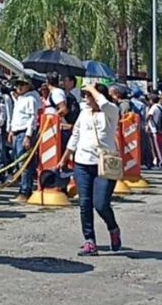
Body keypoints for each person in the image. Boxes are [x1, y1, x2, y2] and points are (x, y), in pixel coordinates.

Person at [58, 83, 122, 256]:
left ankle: (113, 228)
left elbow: (105, 103)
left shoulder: (110, 112)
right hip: (82, 163)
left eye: (89, 95)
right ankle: (90, 241)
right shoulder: (83, 113)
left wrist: (93, 88)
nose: (86, 99)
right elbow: (75, 135)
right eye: (84, 95)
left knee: (101, 204)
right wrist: (64, 158)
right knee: (84, 203)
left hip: (104, 164)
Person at [9, 78, 41, 203]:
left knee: (25, 164)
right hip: (17, 132)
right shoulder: (19, 99)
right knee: (19, 162)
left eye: (22, 84)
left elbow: (32, 118)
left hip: (24, 133)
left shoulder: (30, 99)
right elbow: (16, 117)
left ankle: (25, 191)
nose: (19, 87)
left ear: (28, 86)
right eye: (18, 84)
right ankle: (23, 188)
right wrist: (11, 130)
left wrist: (28, 136)